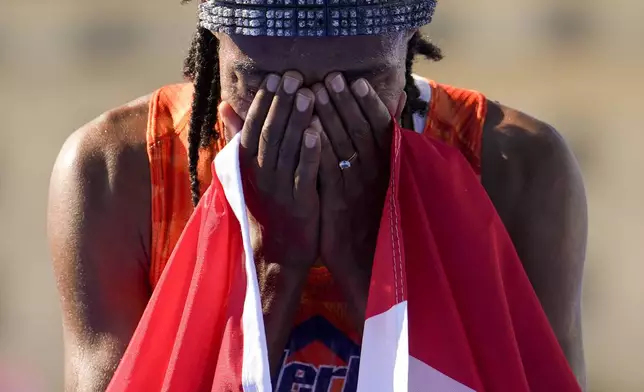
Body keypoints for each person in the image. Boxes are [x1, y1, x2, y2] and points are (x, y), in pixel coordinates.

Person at [47, 0, 587, 391]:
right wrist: (270, 265)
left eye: (357, 86)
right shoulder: (121, 173)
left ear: (405, 51)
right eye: (262, 86)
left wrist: (369, 263)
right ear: (215, 46)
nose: (305, 118)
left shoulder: (513, 171)